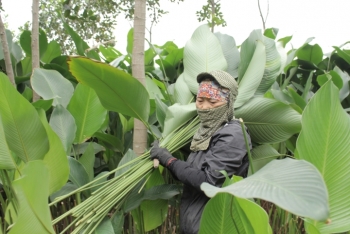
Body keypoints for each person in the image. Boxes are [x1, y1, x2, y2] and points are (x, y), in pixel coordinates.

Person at [150, 70, 252, 234]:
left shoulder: (234, 134)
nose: (204, 107)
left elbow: (209, 180)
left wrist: (168, 160)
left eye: (212, 101)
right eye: (200, 100)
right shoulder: (204, 133)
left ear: (228, 103)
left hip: (217, 227)